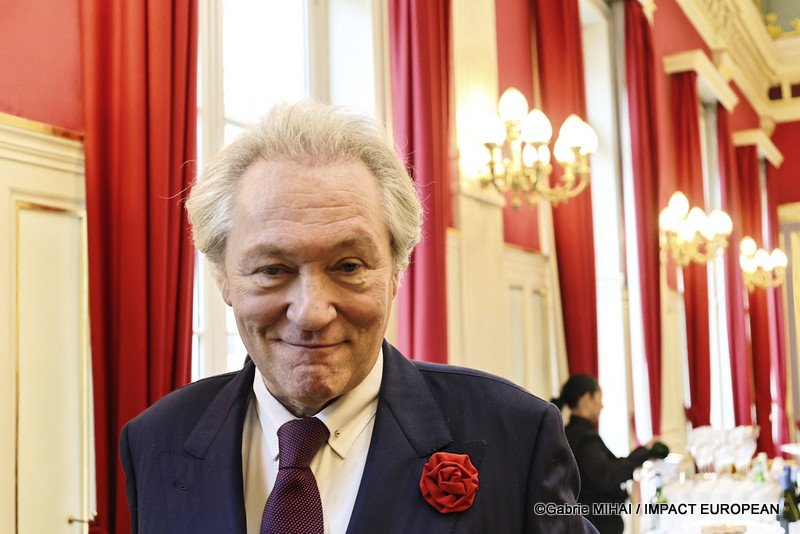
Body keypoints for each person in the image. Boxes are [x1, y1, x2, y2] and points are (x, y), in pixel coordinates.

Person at [120, 99, 599, 533]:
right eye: (272, 269)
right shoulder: (157, 442)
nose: (310, 312)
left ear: (397, 270)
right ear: (223, 277)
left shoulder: (515, 436)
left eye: (348, 266)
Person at [552, 374, 666, 534]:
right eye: (599, 399)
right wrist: (644, 454)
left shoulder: (568, 433)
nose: (602, 405)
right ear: (587, 398)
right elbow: (608, 475)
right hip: (597, 524)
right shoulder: (584, 437)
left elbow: (607, 467)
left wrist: (644, 452)